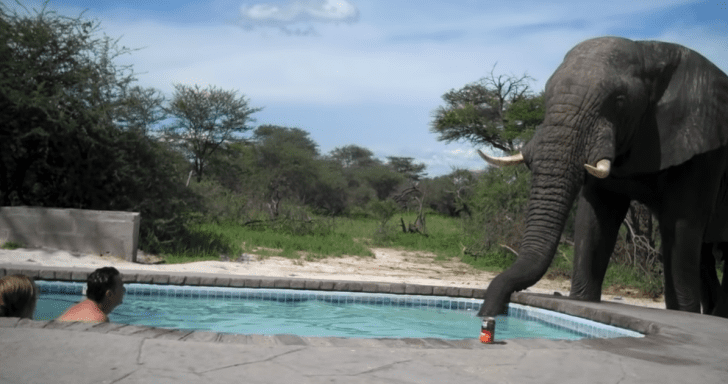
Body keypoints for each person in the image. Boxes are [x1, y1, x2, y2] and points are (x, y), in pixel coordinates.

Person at [57, 267, 125, 323]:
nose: (124, 290)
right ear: (109, 294)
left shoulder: (76, 308)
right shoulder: (99, 319)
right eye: (121, 286)